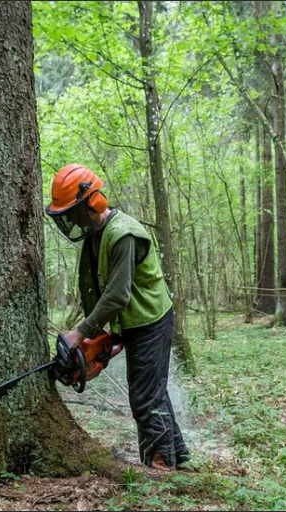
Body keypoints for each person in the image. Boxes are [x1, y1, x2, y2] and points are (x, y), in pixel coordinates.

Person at [45, 163, 190, 471]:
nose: (70, 219)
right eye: (65, 214)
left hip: (150, 320)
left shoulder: (122, 234)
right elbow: (97, 290)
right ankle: (180, 457)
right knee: (152, 392)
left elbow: (118, 294)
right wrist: (102, 337)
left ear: (92, 202)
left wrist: (80, 332)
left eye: (72, 211)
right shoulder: (95, 237)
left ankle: (161, 467)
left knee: (144, 398)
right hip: (133, 321)